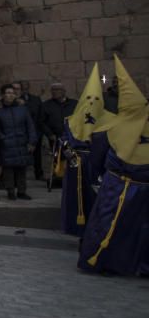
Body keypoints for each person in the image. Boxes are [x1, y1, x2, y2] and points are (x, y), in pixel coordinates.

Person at [78, 56, 149, 275]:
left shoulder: (111, 127)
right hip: (136, 187)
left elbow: (97, 159)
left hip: (117, 186)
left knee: (112, 224)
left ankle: (105, 262)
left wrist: (98, 176)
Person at [59, 65, 107, 237]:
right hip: (77, 164)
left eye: (95, 99)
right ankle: (74, 226)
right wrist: (68, 151)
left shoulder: (109, 121)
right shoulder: (71, 121)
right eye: (88, 99)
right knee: (76, 196)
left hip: (98, 164)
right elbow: (64, 139)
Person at [0, 84, 38, 200]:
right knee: (8, 169)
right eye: (7, 93)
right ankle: (10, 191)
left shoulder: (23, 109)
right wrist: (3, 138)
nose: (9, 95)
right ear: (3, 95)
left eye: (12, 93)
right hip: (7, 144)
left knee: (21, 168)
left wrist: (32, 141)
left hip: (21, 142)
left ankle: (21, 191)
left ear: (15, 95)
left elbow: (30, 126)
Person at [14, 80, 44, 180]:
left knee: (37, 155)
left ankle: (39, 174)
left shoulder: (36, 99)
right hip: (21, 132)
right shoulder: (16, 100)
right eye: (23, 87)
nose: (25, 89)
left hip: (35, 130)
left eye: (26, 87)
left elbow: (40, 116)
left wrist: (39, 131)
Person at [40, 82, 77, 155]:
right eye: (53, 90)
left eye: (57, 89)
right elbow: (41, 122)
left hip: (73, 138)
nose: (54, 92)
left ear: (64, 91)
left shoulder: (74, 104)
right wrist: (50, 134)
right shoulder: (46, 105)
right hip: (55, 139)